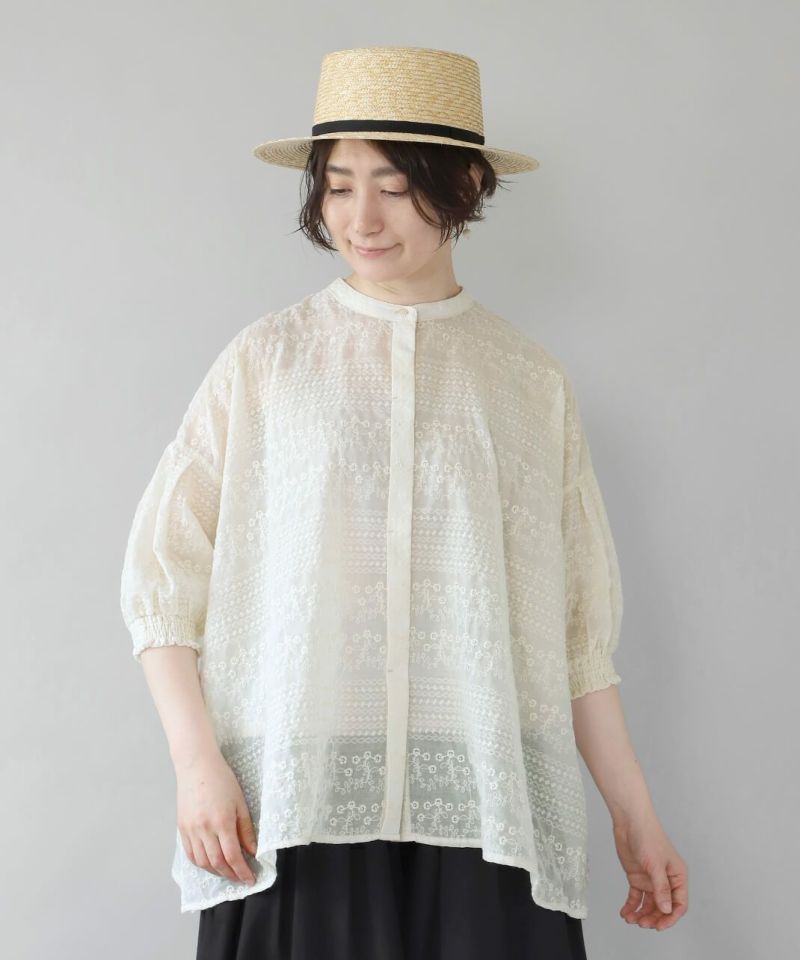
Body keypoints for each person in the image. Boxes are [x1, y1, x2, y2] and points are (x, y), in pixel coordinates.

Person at [119, 46, 688, 960]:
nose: (361, 218)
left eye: (393, 185)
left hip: (484, 804)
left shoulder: (528, 383)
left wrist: (636, 816)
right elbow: (161, 585)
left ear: (465, 184)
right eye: (338, 186)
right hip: (298, 802)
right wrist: (196, 766)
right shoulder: (268, 362)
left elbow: (579, 639)